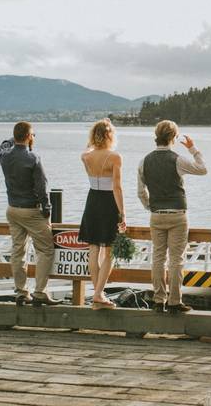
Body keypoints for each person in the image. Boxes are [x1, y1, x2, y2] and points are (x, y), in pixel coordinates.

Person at [137, 120, 208, 314]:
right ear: (173, 138)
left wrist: (150, 207)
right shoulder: (177, 159)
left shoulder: (145, 161)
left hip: (157, 215)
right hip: (177, 214)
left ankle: (159, 299)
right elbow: (203, 169)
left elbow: (140, 191)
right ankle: (175, 301)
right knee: (176, 260)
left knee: (158, 258)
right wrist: (193, 149)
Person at [0, 121, 60, 306]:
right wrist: (47, 210)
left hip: (12, 209)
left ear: (15, 137)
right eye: (33, 135)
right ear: (29, 136)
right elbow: (42, 187)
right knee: (46, 250)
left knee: (18, 250)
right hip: (31, 210)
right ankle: (39, 292)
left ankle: (22, 292)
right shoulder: (33, 158)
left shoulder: (5, 157)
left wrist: (9, 140)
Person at [78, 118, 126, 310]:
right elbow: (117, 187)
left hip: (92, 201)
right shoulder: (115, 157)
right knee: (109, 251)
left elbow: (89, 148)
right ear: (109, 135)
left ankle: (98, 293)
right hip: (108, 203)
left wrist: (95, 138)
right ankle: (99, 294)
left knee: (93, 248)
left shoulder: (85, 156)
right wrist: (123, 213)